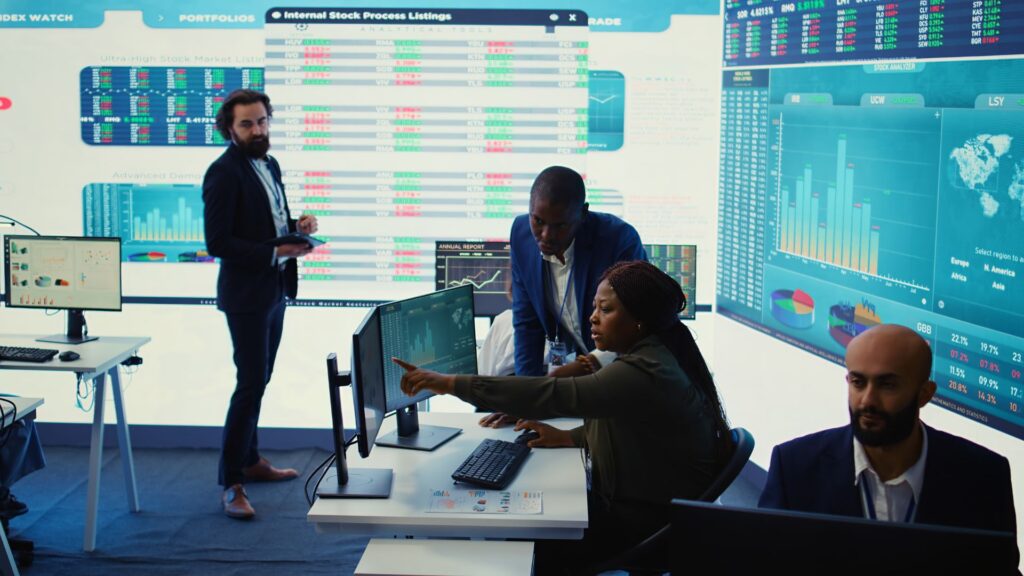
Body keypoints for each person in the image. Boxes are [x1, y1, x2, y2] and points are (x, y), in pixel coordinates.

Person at [394, 261, 730, 574]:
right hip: (649, 506)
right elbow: (636, 428)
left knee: (523, 537)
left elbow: (553, 395)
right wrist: (571, 437)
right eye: (595, 307)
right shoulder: (657, 352)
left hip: (646, 523)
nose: (592, 318)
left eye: (606, 309)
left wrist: (451, 384)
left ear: (638, 320)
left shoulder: (645, 371)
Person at [759, 324, 1017, 537]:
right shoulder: (794, 468)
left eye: (887, 385)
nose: (867, 401)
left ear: (924, 394)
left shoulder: (983, 477)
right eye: (858, 383)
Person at [203, 89, 318, 520]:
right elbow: (218, 242)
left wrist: (296, 227)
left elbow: (264, 223)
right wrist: (277, 252)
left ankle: (250, 461)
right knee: (250, 383)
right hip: (247, 295)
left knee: (261, 378)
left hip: (275, 289)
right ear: (229, 129)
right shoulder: (222, 173)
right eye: (247, 124)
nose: (258, 130)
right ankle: (232, 481)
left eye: (263, 121)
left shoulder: (269, 164)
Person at [510, 166, 646, 378]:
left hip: (628, 369)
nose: (546, 235)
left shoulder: (618, 241)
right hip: (576, 368)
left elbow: (638, 325)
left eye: (560, 225)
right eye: (538, 221)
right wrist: (526, 399)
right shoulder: (521, 235)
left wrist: (590, 363)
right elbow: (527, 326)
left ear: (583, 213)